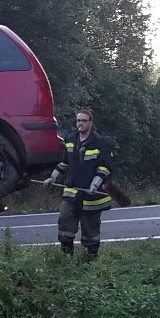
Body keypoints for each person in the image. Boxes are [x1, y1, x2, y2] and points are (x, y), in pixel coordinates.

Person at [45, 108, 115, 259]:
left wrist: (95, 184)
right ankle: (67, 257)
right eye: (78, 120)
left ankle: (91, 259)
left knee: (91, 228)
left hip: (91, 195)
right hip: (71, 192)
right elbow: (64, 163)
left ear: (91, 123)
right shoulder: (71, 140)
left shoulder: (100, 143)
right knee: (64, 221)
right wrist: (52, 178)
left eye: (84, 121)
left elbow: (105, 167)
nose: (80, 123)